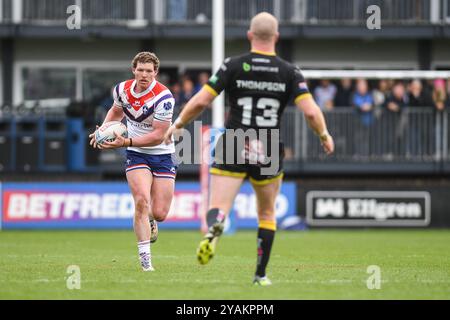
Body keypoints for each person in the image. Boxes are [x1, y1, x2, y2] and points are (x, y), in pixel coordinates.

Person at [163, 12, 334, 286]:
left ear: (250, 35)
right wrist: (324, 135)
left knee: (218, 205)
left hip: (234, 141)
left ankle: (216, 224)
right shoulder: (290, 72)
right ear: (276, 37)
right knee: (266, 214)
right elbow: (312, 113)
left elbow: (201, 101)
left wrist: (179, 123)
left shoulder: (232, 65)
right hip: (268, 147)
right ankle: (260, 274)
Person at [89, 52, 177, 272]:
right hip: (136, 152)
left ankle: (152, 220)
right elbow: (116, 111)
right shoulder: (121, 90)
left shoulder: (164, 97)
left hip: (162, 153)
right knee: (140, 201)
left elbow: (158, 135)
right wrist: (101, 131)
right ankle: (146, 261)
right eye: (140, 70)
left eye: (149, 71)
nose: (144, 75)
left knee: (160, 213)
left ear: (155, 73)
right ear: (133, 70)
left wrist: (126, 140)